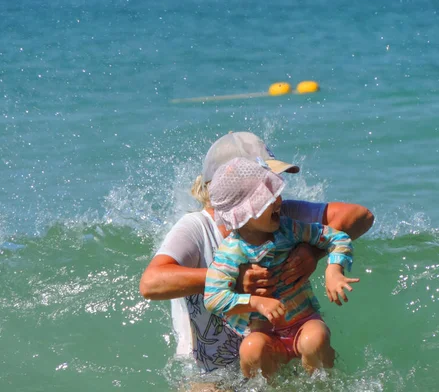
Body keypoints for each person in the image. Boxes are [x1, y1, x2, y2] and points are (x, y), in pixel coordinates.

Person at [139, 132, 374, 375]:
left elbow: (359, 216)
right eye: (266, 182)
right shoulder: (197, 227)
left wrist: (311, 252)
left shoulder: (279, 215)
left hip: (275, 352)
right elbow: (151, 283)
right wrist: (233, 280)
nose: (276, 192)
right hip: (208, 371)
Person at [203, 157, 358, 379]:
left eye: (276, 194)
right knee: (251, 349)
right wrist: (255, 302)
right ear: (243, 213)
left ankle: (326, 384)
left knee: (315, 339)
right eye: (267, 200)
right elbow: (213, 298)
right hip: (264, 334)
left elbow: (338, 238)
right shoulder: (231, 251)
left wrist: (334, 269)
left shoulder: (290, 229)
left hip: (303, 322)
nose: (278, 202)